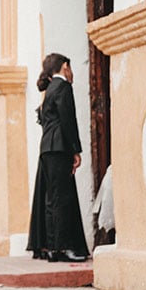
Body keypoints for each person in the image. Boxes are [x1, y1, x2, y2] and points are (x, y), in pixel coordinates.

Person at [27, 53, 90, 263]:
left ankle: (53, 247)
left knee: (51, 198)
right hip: (60, 148)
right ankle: (62, 248)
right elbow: (68, 121)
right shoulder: (63, 87)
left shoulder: (48, 91)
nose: (72, 73)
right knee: (61, 197)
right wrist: (76, 150)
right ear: (65, 67)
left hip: (47, 149)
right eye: (70, 68)